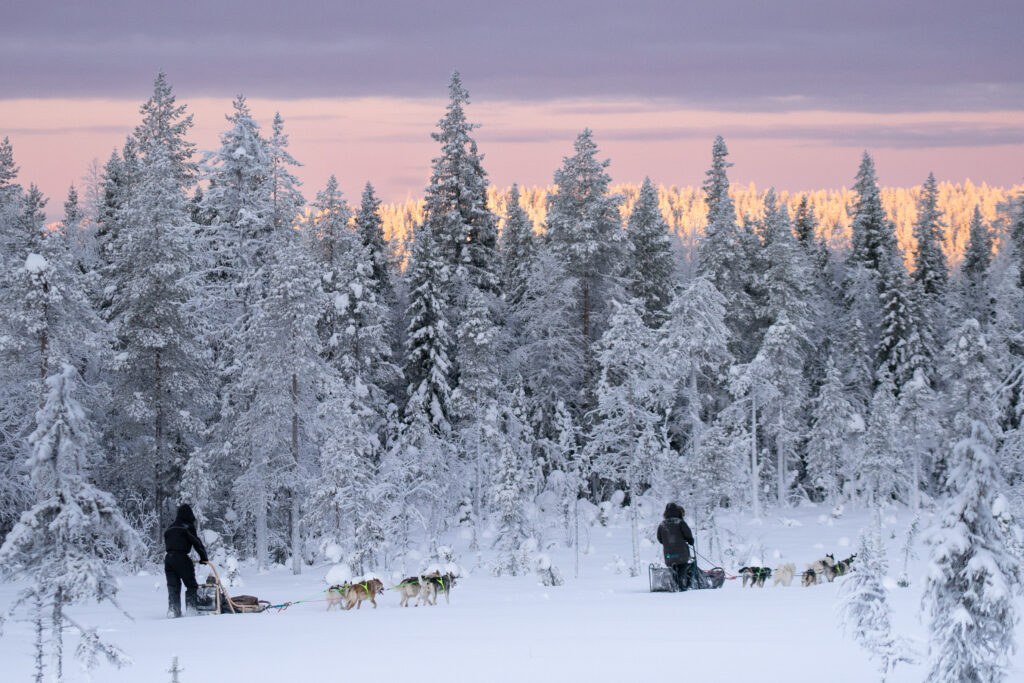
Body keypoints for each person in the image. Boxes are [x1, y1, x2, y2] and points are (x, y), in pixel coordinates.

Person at [164, 503, 209, 618]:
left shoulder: (170, 528)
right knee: (191, 585)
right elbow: (196, 543)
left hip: (168, 559)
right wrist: (204, 558)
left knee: (173, 586)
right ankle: (191, 610)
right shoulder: (187, 527)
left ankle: (173, 610)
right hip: (182, 558)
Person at [656, 502, 694, 590]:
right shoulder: (680, 523)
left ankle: (674, 583)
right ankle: (682, 584)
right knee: (683, 566)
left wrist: (668, 543)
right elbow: (688, 535)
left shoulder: (662, 524)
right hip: (682, 552)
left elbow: (660, 539)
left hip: (668, 553)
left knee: (673, 568)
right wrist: (690, 541)